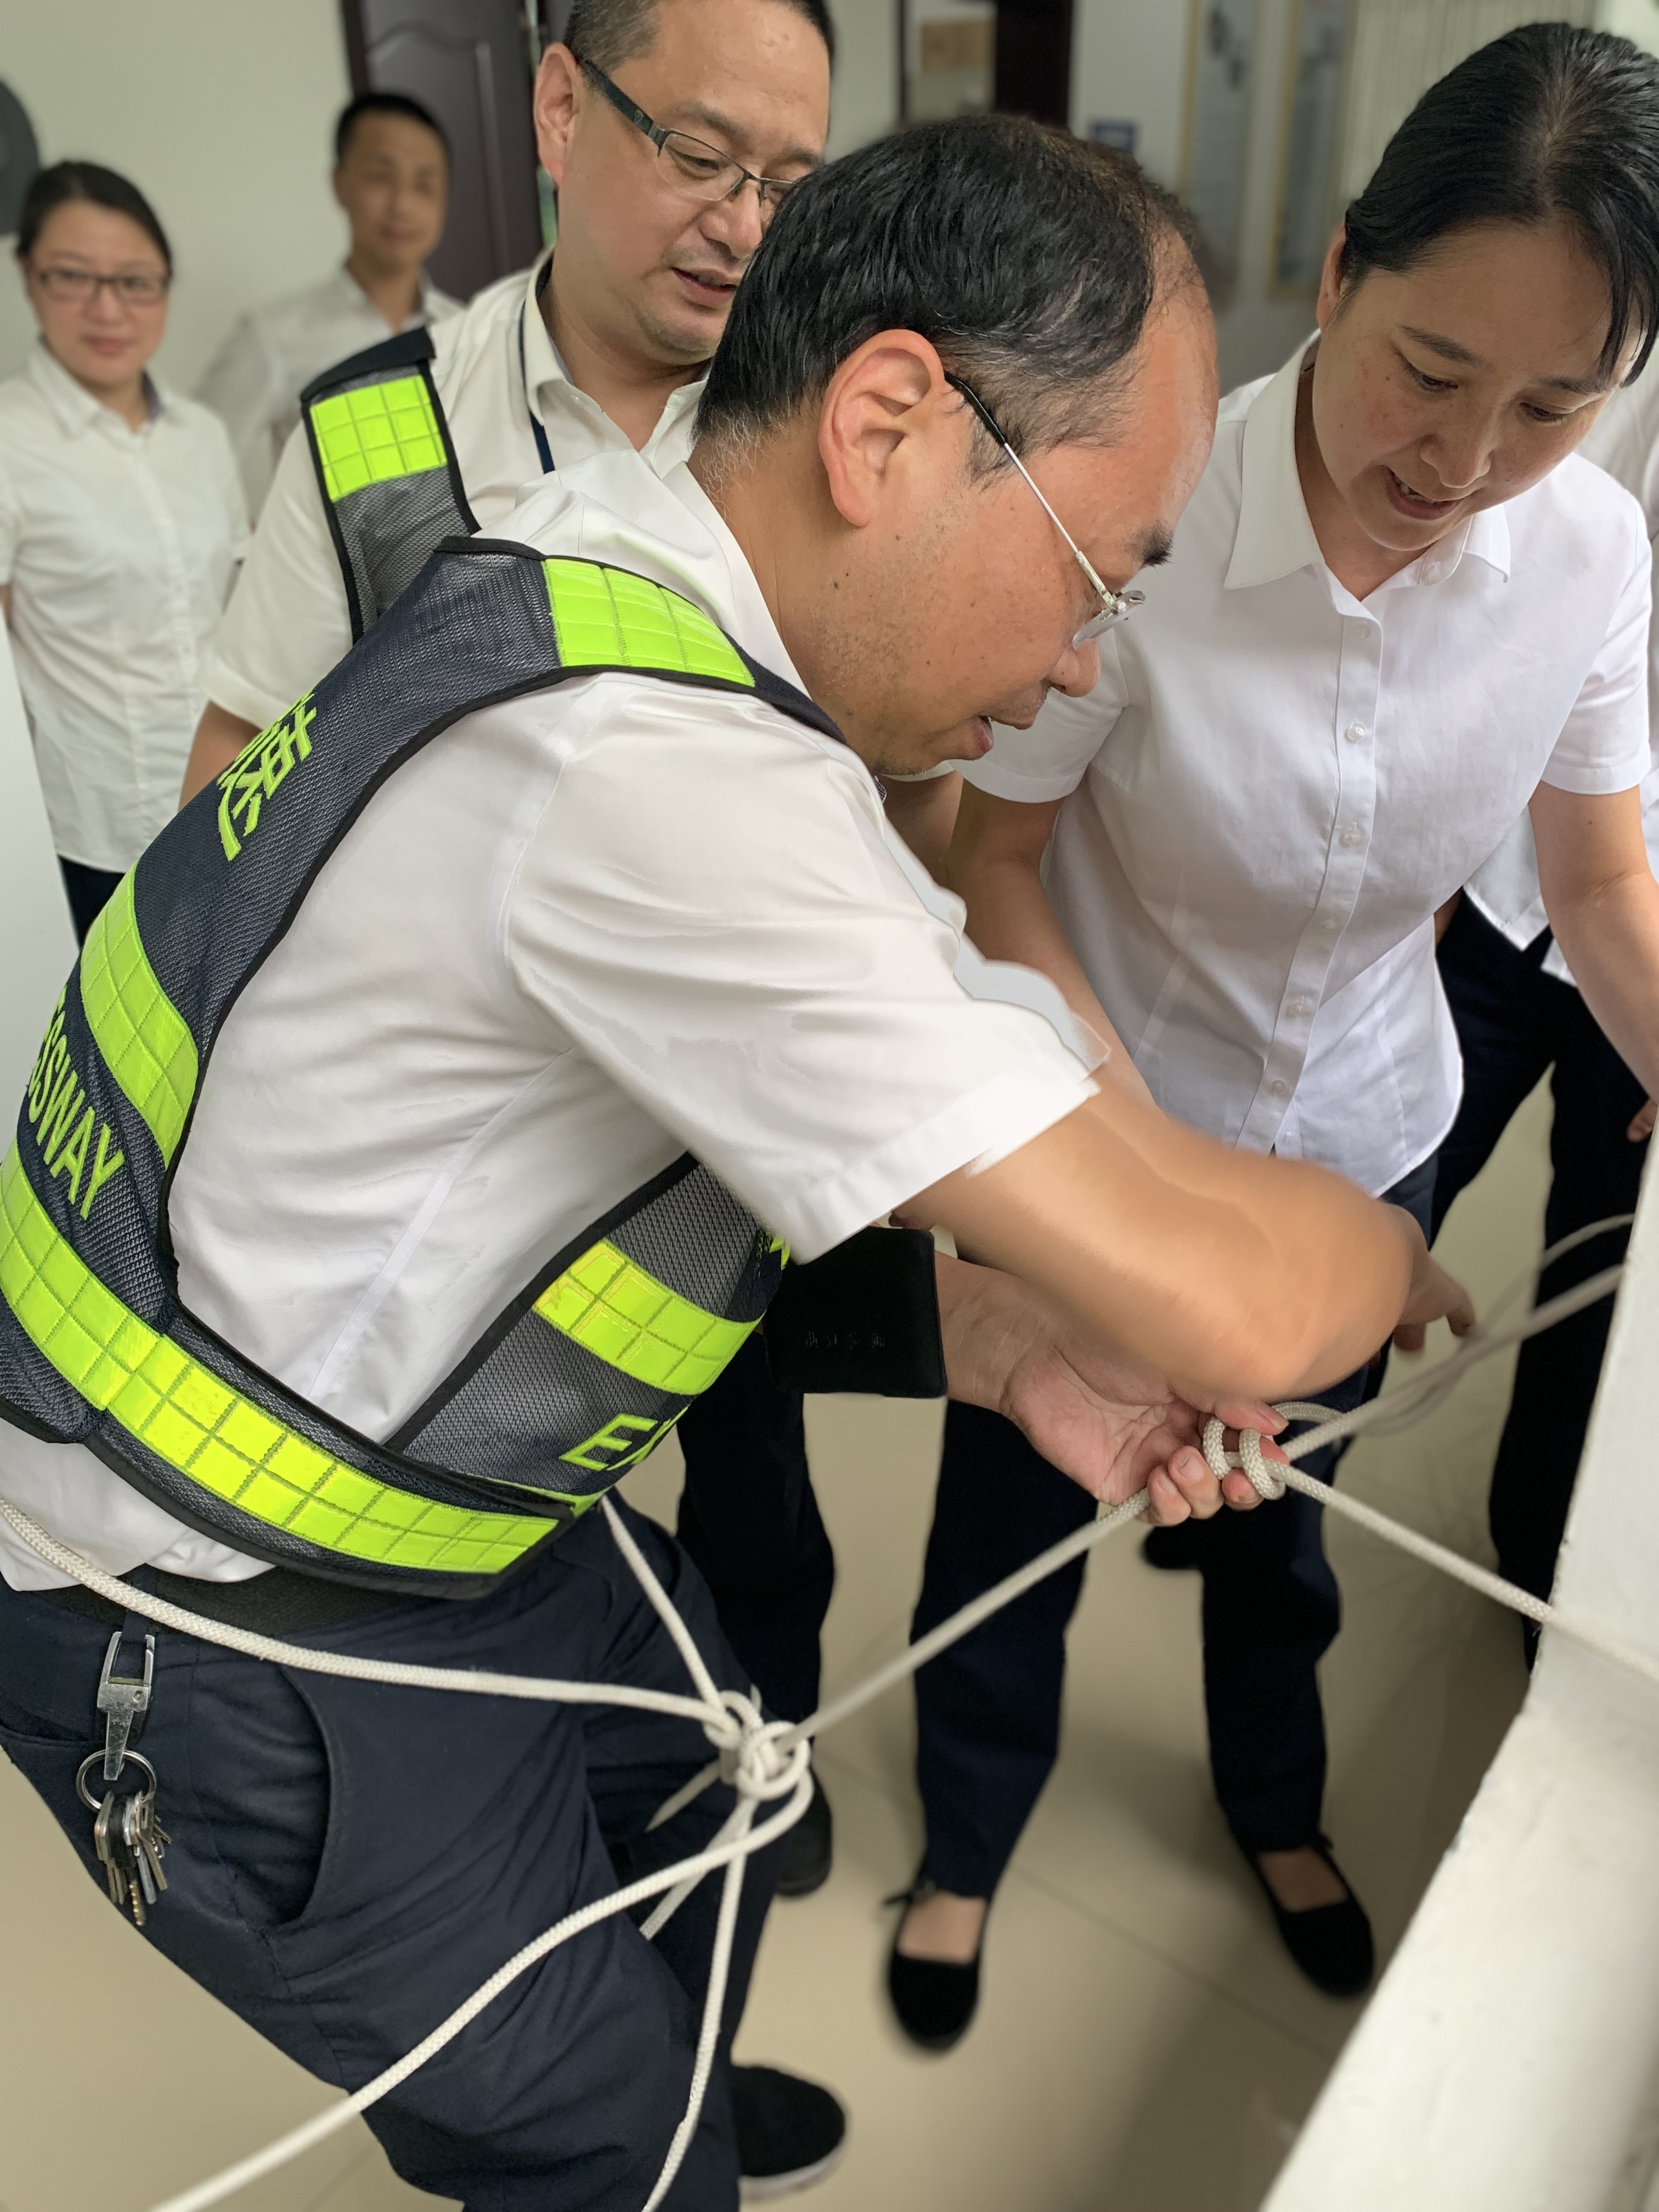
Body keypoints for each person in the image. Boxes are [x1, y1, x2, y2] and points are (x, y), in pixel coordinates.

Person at [0, 116, 1466, 2211]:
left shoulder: (599, 569)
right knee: (608, 2158)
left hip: (405, 1475)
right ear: (887, 423)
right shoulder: (664, 771)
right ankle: (635, 2130)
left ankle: (656, 2066)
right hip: (207, 1595)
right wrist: (1383, 1244)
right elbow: (1239, 1304)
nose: (1078, 661)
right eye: (1096, 577)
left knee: (722, 1803)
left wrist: (991, 1336)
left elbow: (603, 1156)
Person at [888, 21, 1659, 2047]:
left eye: (1551, 405)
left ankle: (1271, 1800)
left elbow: (1593, 888)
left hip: (1358, 1129)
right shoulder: (1140, 517)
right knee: (1019, 1502)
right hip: (1097, 1111)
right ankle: (965, 1837)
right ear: (1334, 272)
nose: (1462, 460)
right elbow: (993, 866)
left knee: (1274, 1512)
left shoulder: (1587, 557)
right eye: (1429, 370)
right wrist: (1142, 1190)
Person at [177, 0, 847, 1910]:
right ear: (562, 106)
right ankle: (568, 1863)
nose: (743, 223)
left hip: (722, 1153)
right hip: (453, 1166)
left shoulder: (829, 426)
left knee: (758, 1497)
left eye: (789, 183)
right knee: (484, 1538)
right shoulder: (377, 434)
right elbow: (231, 791)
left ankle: (751, 1785)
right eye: (701, 156)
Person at [1420, 362, 1659, 1660]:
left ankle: (1535, 1574)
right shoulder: (1631, 372)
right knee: (1380, 1196)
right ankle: (1259, 1485)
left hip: (1649, 960)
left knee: (1598, 1282)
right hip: (1510, 887)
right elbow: (1511, 559)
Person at [0, 162, 247, 949]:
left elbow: (238, 621)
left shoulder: (202, 436)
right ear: (29, 276)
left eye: (136, 283)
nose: (108, 309)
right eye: (74, 277)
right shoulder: (9, 442)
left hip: (228, 810)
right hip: (98, 834)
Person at [196, 93, 460, 517]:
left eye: (424, 185)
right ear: (340, 183)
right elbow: (189, 466)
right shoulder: (276, 337)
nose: (403, 205)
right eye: (381, 178)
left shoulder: (468, 332)